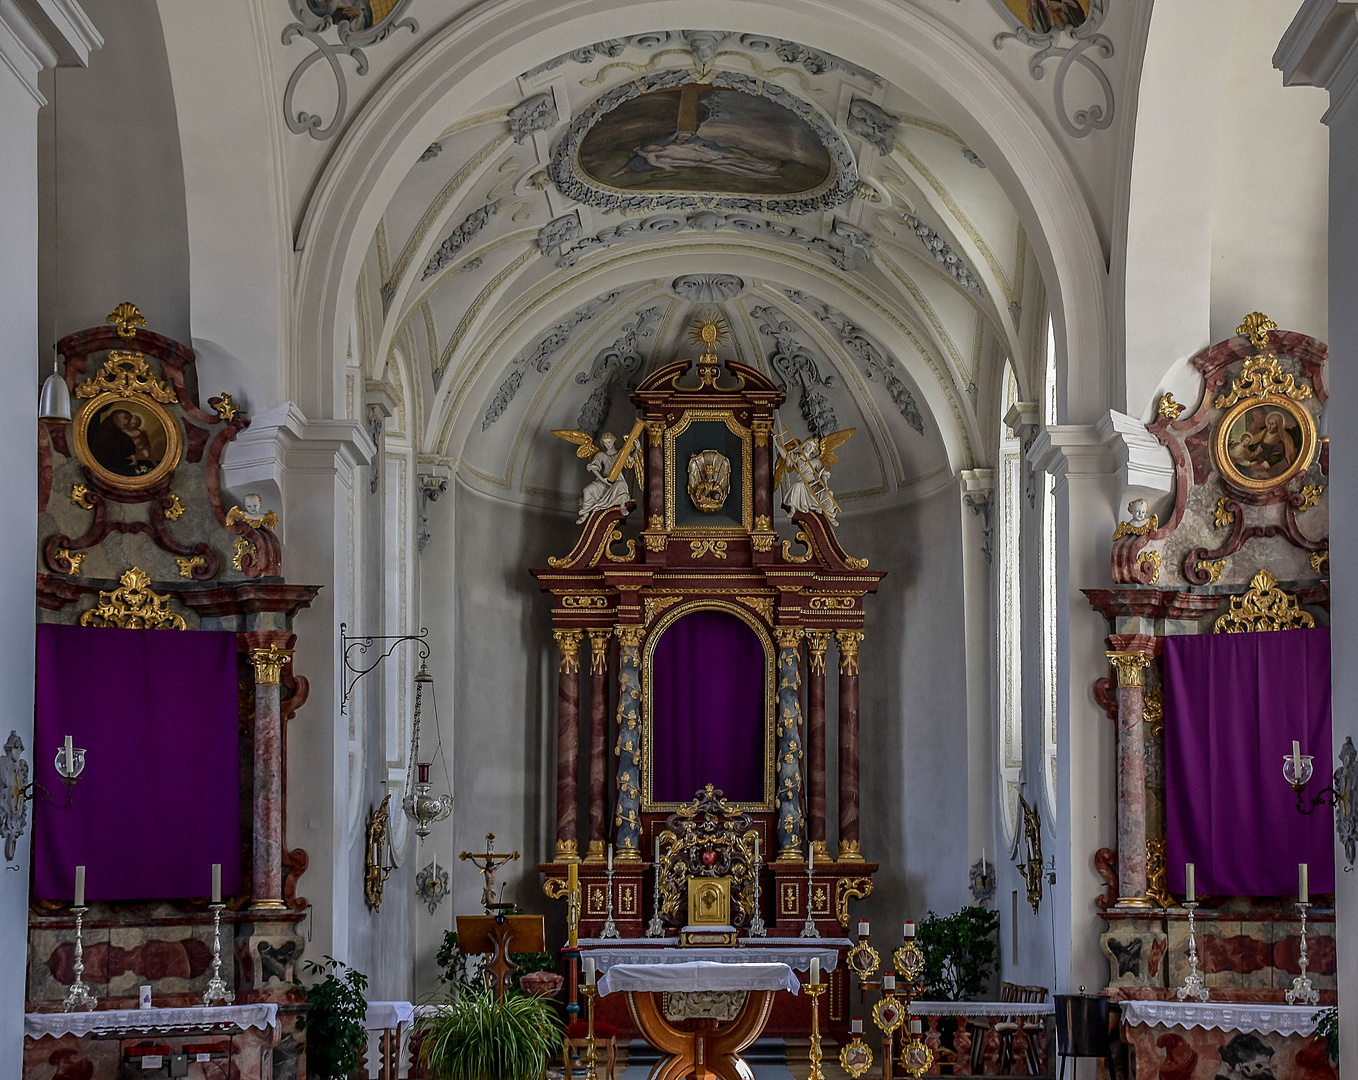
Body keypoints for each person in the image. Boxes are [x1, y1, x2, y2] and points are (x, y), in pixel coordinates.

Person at [576, 433, 636, 523]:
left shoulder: (620, 453)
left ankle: (622, 506)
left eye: (609, 442)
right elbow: (594, 468)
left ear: (614, 441)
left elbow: (630, 461)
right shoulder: (601, 455)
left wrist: (637, 449)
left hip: (616, 481)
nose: (607, 445)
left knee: (621, 485)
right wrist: (601, 479)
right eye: (605, 443)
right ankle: (585, 513)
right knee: (587, 490)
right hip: (604, 481)